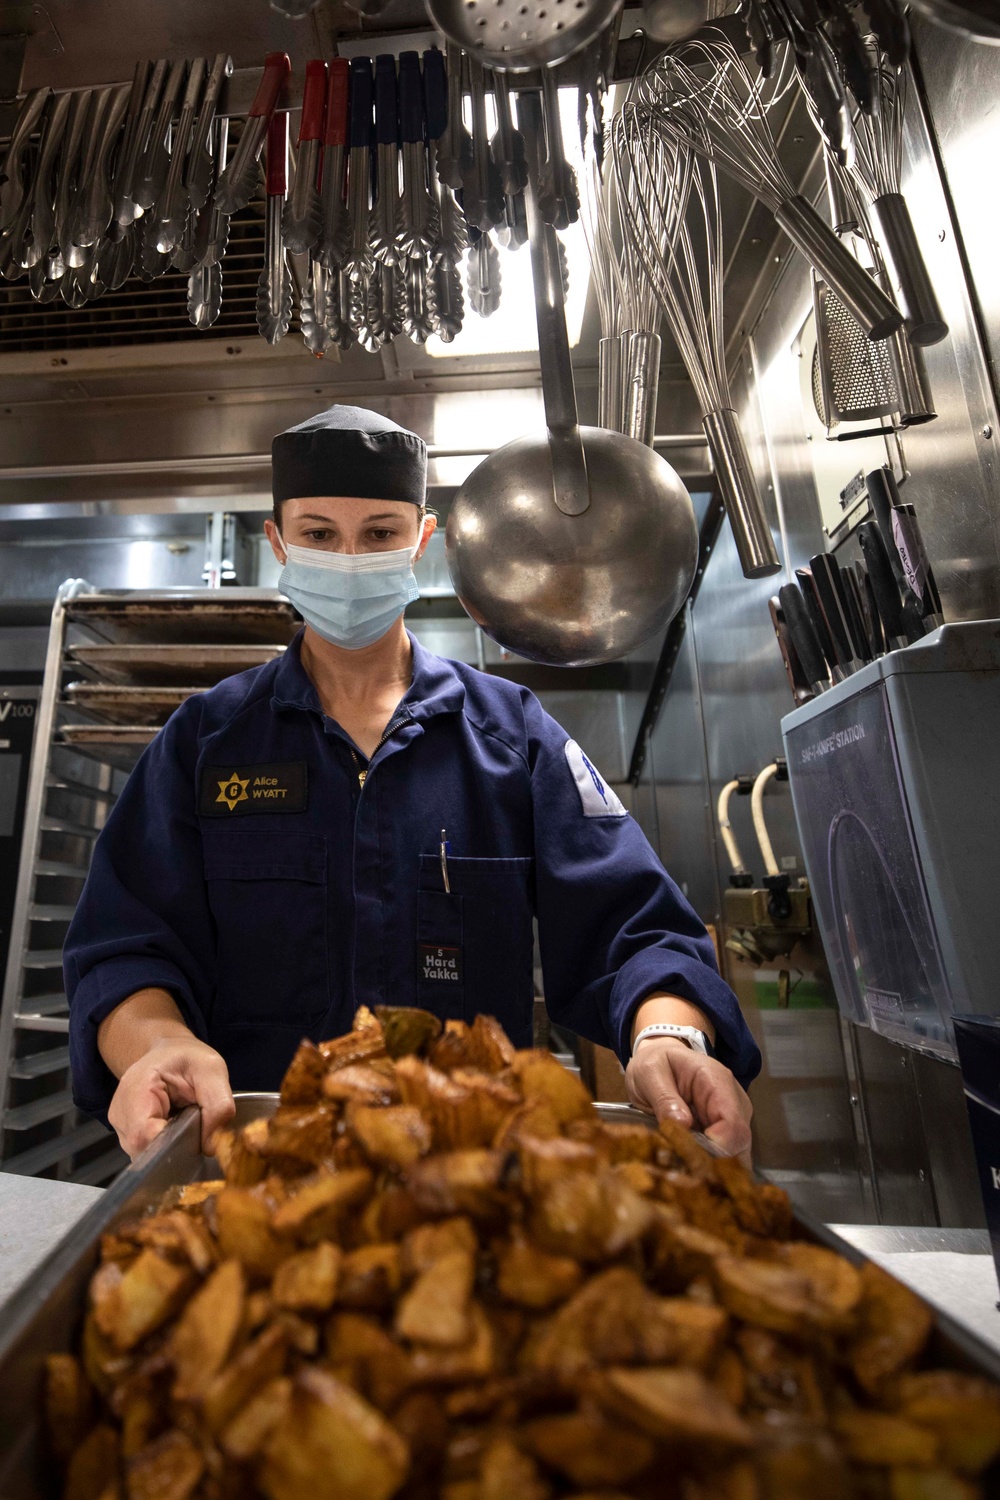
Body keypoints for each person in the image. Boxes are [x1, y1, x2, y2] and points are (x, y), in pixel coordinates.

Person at [65, 405, 760, 1162]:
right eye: (320, 534)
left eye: (380, 534)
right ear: (278, 544)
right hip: (259, 1167)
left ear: (422, 542)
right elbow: (124, 950)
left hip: (465, 1179)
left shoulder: (511, 736)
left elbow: (638, 929)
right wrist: (155, 1044)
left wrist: (670, 1033)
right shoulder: (205, 743)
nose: (350, 557)